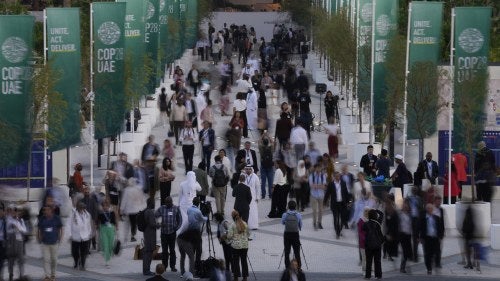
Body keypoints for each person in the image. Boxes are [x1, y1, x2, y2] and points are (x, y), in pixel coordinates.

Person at [178, 197, 207, 278]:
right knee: (199, 250)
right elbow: (202, 220)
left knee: (192, 250)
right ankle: (197, 268)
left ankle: (192, 268)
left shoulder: (189, 209)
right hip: (196, 233)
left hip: (189, 232)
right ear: (198, 204)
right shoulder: (198, 211)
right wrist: (207, 217)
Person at [156, 196, 182, 273]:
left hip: (172, 233)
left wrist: (176, 228)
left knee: (172, 250)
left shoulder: (176, 208)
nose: (168, 204)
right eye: (166, 203)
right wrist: (159, 224)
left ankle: (173, 266)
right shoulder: (162, 208)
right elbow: (155, 215)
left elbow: (180, 220)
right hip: (164, 233)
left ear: (172, 202)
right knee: (164, 251)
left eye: (169, 202)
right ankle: (164, 266)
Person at [38, 205, 64, 281]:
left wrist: (61, 237)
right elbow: (39, 228)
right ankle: (47, 276)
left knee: (54, 259)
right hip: (45, 243)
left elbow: (61, 227)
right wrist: (39, 237)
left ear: (51, 210)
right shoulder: (42, 218)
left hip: (54, 242)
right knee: (46, 259)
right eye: (44, 210)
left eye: (47, 210)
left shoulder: (56, 218)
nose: (45, 212)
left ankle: (53, 275)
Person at [419, 203, 444, 275]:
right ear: (426, 210)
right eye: (428, 209)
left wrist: (440, 236)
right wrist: (420, 238)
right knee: (427, 254)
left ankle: (435, 263)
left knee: (436, 252)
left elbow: (440, 228)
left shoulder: (436, 218)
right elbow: (420, 228)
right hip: (427, 238)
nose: (430, 210)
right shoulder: (423, 218)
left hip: (435, 238)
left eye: (431, 209)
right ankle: (429, 268)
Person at [120, 178, 146, 242]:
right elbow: (142, 198)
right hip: (137, 210)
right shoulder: (138, 188)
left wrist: (121, 209)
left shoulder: (126, 190)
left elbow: (124, 200)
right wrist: (143, 207)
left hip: (129, 210)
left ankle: (126, 236)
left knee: (128, 224)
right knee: (134, 224)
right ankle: (133, 235)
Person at [5, 205, 27, 281]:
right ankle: (10, 274)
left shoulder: (21, 220)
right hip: (11, 242)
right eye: (13, 211)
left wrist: (18, 228)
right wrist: (13, 229)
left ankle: (21, 275)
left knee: (21, 259)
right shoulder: (8, 220)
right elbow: (7, 231)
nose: (14, 213)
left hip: (20, 242)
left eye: (16, 211)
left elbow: (25, 230)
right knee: (11, 259)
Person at [227, 210, 250, 281]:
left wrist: (227, 234)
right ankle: (245, 277)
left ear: (233, 217)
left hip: (236, 246)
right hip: (245, 245)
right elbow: (248, 234)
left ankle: (236, 277)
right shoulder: (245, 223)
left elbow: (229, 236)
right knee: (244, 261)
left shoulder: (232, 225)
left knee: (236, 262)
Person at [325, 172, 349, 239]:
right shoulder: (331, 184)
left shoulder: (343, 183)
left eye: (339, 176)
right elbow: (327, 194)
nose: (338, 177)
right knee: (336, 219)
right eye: (336, 176)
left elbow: (346, 193)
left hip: (342, 204)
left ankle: (340, 229)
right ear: (334, 177)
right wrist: (325, 202)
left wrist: (348, 201)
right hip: (334, 204)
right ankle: (337, 233)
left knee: (342, 219)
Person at [70, 202, 92, 270]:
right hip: (76, 236)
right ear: (78, 208)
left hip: (85, 236)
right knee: (75, 252)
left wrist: (89, 233)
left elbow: (89, 224)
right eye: (80, 208)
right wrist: (70, 235)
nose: (81, 209)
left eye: (83, 208)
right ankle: (76, 262)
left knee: (84, 252)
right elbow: (69, 225)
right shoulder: (73, 215)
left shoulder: (87, 214)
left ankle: (83, 264)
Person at [363, 209, 384, 279]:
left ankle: (368, 275)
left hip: (368, 245)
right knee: (377, 261)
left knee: (369, 261)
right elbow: (382, 214)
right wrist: (376, 210)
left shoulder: (365, 224)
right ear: (375, 216)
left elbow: (363, 229)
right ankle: (378, 275)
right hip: (377, 245)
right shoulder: (378, 223)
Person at [281, 201, 302, 269]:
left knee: (287, 251)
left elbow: (282, 222)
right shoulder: (298, 214)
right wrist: (299, 228)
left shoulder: (285, 214)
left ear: (288, 206)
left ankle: (287, 266)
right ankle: (298, 267)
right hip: (295, 234)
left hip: (287, 234)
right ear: (295, 206)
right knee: (297, 252)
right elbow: (300, 224)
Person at [98, 200, 118, 267]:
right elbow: (98, 222)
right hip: (103, 229)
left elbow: (115, 221)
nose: (105, 207)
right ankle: (107, 260)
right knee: (105, 244)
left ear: (108, 206)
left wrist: (116, 228)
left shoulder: (112, 213)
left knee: (110, 244)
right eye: (103, 206)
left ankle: (109, 254)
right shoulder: (100, 214)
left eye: (106, 206)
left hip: (111, 228)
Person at [143, 198, 158, 276]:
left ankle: (145, 269)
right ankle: (146, 270)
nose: (154, 204)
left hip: (147, 233)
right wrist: (159, 225)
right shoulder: (150, 212)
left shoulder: (146, 211)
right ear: (150, 203)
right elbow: (152, 224)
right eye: (153, 202)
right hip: (150, 235)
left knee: (147, 252)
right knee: (148, 252)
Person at [309, 164, 326, 230]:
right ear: (315, 168)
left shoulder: (323, 175)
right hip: (313, 195)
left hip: (321, 195)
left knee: (321, 210)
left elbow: (324, 186)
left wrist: (316, 186)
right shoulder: (312, 176)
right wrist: (320, 186)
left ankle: (320, 223)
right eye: (318, 168)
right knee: (315, 210)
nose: (319, 169)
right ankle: (314, 223)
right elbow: (311, 186)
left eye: (320, 168)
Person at [243, 165, 260, 230]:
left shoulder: (255, 177)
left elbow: (258, 187)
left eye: (249, 169)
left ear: (251, 169)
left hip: (253, 197)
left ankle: (254, 225)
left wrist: (258, 197)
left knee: (253, 211)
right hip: (245, 196)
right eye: (247, 169)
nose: (248, 170)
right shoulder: (243, 176)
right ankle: (245, 224)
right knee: (246, 211)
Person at [399, 199, 413, 273]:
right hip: (402, 235)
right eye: (404, 204)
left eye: (407, 204)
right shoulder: (400, 214)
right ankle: (402, 267)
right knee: (404, 251)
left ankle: (405, 265)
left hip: (408, 235)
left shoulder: (410, 214)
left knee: (408, 251)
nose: (405, 206)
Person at [259, 135, 275, 200]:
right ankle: (271, 195)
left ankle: (263, 195)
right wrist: (268, 135)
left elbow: (259, 141)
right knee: (270, 182)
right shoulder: (271, 148)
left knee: (263, 182)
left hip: (263, 166)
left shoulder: (261, 148)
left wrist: (263, 135)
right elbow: (272, 142)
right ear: (268, 142)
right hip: (270, 166)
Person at [357, 208, 370, 274]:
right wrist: (364, 238)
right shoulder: (361, 220)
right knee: (364, 258)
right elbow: (360, 232)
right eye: (365, 211)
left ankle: (371, 270)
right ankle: (364, 270)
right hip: (363, 243)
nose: (366, 212)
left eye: (368, 211)